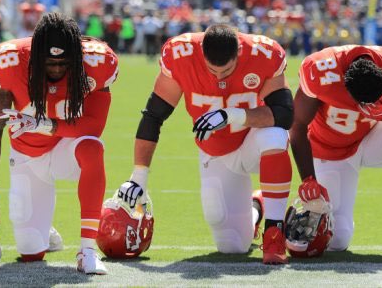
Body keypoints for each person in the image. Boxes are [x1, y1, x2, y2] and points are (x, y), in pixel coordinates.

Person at [117, 24, 294, 265]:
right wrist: (139, 176)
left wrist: (232, 115)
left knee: (275, 135)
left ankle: (274, 232)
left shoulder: (262, 54)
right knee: (232, 245)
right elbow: (153, 116)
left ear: (239, 53)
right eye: (212, 70)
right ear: (201, 54)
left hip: (253, 141)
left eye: (227, 70)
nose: (219, 77)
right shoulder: (181, 55)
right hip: (216, 152)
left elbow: (284, 114)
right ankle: (257, 206)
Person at [0, 12, 118, 274]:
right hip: (28, 155)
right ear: (36, 56)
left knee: (92, 148)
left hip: (67, 148)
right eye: (49, 63)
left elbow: (94, 126)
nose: (57, 69)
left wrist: (46, 125)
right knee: (30, 251)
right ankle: (43, 228)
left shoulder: (97, 62)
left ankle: (87, 250)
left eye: (64, 63)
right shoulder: (10, 61)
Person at [289, 45, 382, 259]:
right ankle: (261, 202)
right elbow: (297, 125)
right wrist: (308, 179)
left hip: (371, 138)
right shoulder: (320, 70)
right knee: (337, 239)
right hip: (330, 150)